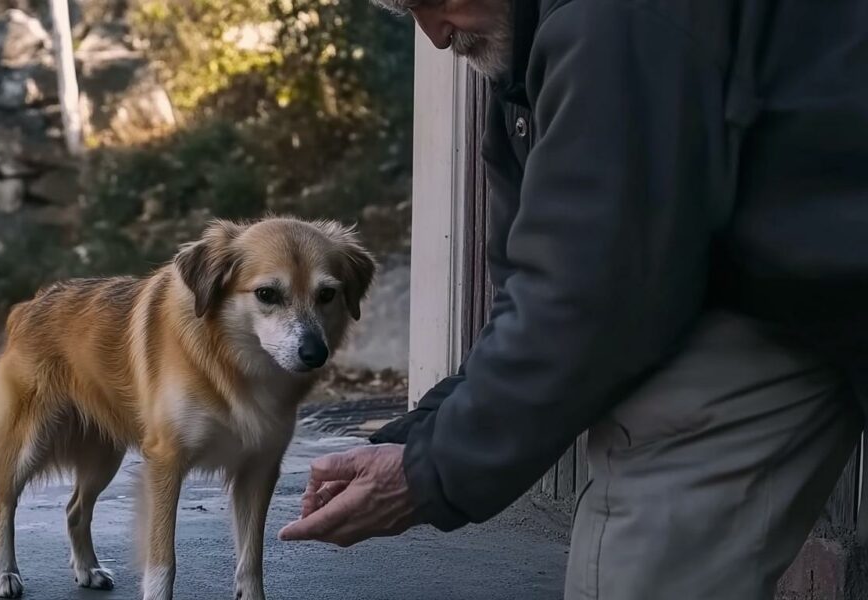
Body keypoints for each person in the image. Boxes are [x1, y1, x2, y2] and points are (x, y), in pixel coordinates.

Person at [278, 0, 868, 597]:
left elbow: (589, 305)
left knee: (661, 431)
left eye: (435, 0)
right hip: (793, 291)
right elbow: (534, 299)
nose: (434, 36)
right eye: (411, 14)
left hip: (810, 282)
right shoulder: (523, 81)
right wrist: (415, 439)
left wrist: (424, 473)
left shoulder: (613, 23)